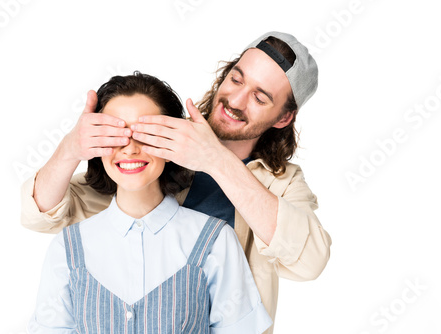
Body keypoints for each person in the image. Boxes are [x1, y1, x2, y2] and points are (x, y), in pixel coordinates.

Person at [22, 31, 332, 334]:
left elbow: (310, 261)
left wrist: (217, 161)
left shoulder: (283, 183)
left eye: (259, 97)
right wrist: (69, 149)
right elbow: (40, 214)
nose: (235, 100)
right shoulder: (157, 146)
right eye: (236, 79)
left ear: (283, 118)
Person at [28, 72, 272, 333]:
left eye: (145, 134)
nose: (130, 148)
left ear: (172, 145)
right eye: (115, 134)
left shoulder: (215, 241)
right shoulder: (67, 249)